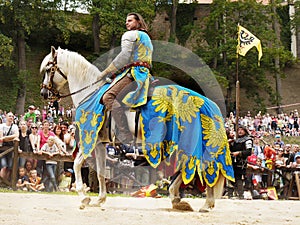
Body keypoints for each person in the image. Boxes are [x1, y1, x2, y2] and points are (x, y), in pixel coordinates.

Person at [100, 12, 153, 145]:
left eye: (130, 20)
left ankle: (125, 136)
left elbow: (124, 56)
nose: (127, 23)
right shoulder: (146, 37)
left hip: (135, 74)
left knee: (108, 97)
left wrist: (106, 71)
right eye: (126, 21)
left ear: (138, 22)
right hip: (146, 74)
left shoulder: (130, 35)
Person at [229, 125, 253, 199]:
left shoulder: (248, 140)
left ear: (245, 131)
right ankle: (230, 194)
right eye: (238, 130)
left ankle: (240, 194)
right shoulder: (236, 140)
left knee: (238, 178)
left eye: (241, 130)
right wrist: (230, 144)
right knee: (230, 177)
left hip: (241, 162)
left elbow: (248, 152)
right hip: (233, 161)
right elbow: (232, 150)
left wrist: (239, 153)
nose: (240, 131)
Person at [0, 112, 19, 180]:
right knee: (4, 166)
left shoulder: (15, 126)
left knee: (10, 167)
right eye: (10, 116)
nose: (11, 117)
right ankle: (1, 182)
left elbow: (16, 135)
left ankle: (5, 182)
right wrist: (10, 138)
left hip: (11, 149)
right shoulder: (2, 126)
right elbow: (0, 138)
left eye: (12, 116)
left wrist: (5, 138)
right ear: (6, 117)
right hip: (2, 149)